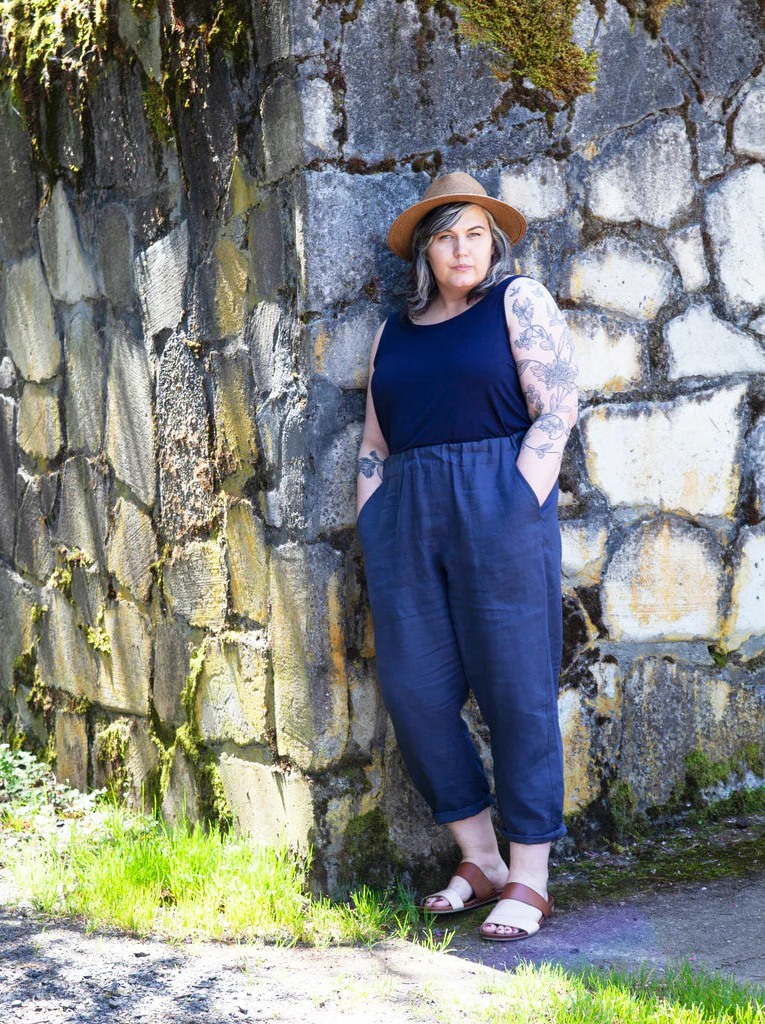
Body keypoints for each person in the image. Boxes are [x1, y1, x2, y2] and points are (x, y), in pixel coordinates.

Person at [355, 171, 578, 942]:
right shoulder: (395, 330)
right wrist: (373, 516)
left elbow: (556, 409)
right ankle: (478, 858)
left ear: (494, 242)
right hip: (406, 514)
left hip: (499, 502)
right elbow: (374, 441)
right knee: (414, 690)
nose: (461, 248)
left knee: (517, 689)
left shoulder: (518, 303)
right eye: (446, 235)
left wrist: (519, 498)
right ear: (426, 248)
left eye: (474, 233)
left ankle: (530, 875)